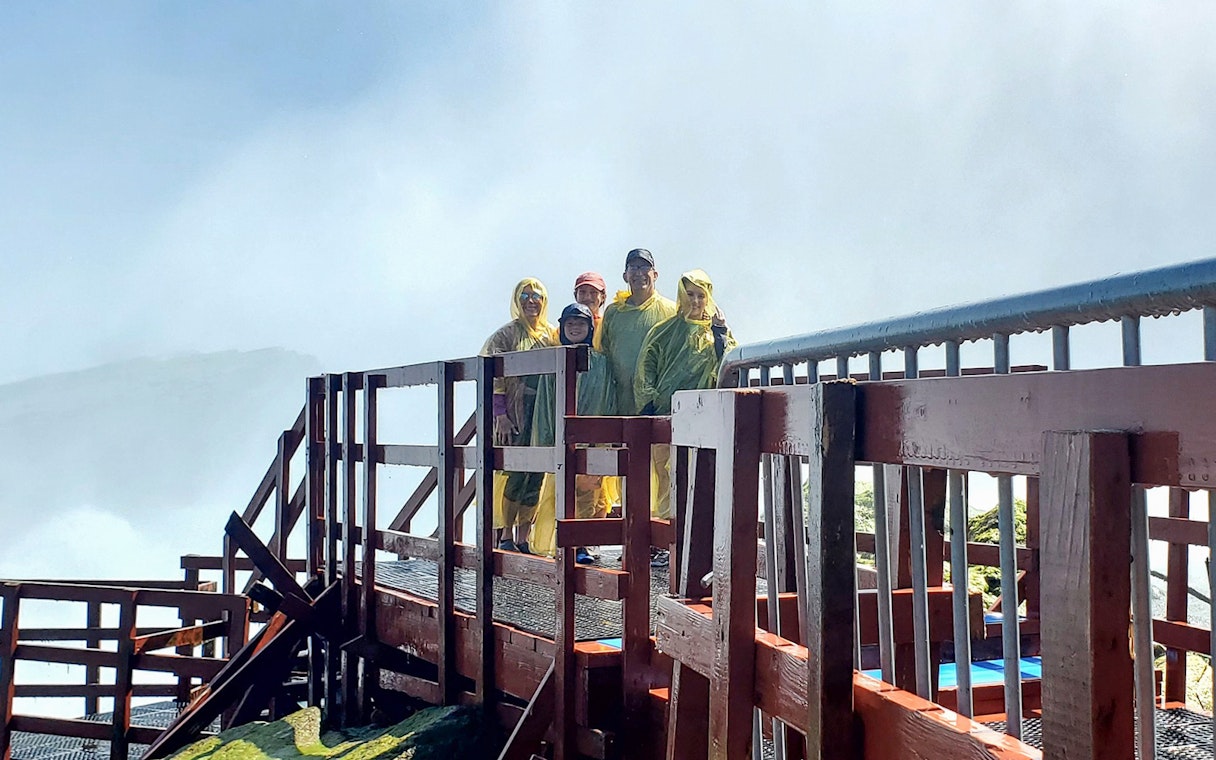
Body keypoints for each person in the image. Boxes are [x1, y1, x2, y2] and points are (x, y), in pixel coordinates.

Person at [634, 269, 737, 566]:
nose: (695, 301)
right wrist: (650, 403)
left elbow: (730, 364)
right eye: (689, 294)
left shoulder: (718, 334)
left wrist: (720, 333)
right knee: (667, 475)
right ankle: (667, 543)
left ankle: (697, 543)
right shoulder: (664, 331)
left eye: (700, 295)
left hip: (703, 417)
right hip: (667, 415)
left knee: (699, 477)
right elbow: (646, 367)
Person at [528, 303, 616, 563]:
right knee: (559, 493)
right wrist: (544, 441)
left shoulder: (601, 362)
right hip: (561, 439)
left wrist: (607, 438)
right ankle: (560, 544)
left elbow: (608, 400)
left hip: (592, 440)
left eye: (581, 323)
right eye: (570, 323)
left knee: (589, 492)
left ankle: (581, 546)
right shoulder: (555, 360)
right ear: (562, 327)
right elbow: (544, 404)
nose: (575, 327)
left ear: (590, 328)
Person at [480, 278, 557, 554]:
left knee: (535, 475)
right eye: (525, 296)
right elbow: (493, 376)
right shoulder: (505, 335)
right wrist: (499, 414)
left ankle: (525, 537)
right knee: (513, 471)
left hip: (542, 415)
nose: (531, 301)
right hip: (514, 416)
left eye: (537, 296)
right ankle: (505, 535)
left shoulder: (551, 334)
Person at [598, 249, 677, 416]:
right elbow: (603, 354)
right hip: (620, 405)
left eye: (644, 267)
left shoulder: (671, 311)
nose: (639, 273)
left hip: (657, 406)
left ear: (655, 274)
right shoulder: (613, 312)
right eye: (633, 268)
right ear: (625, 275)